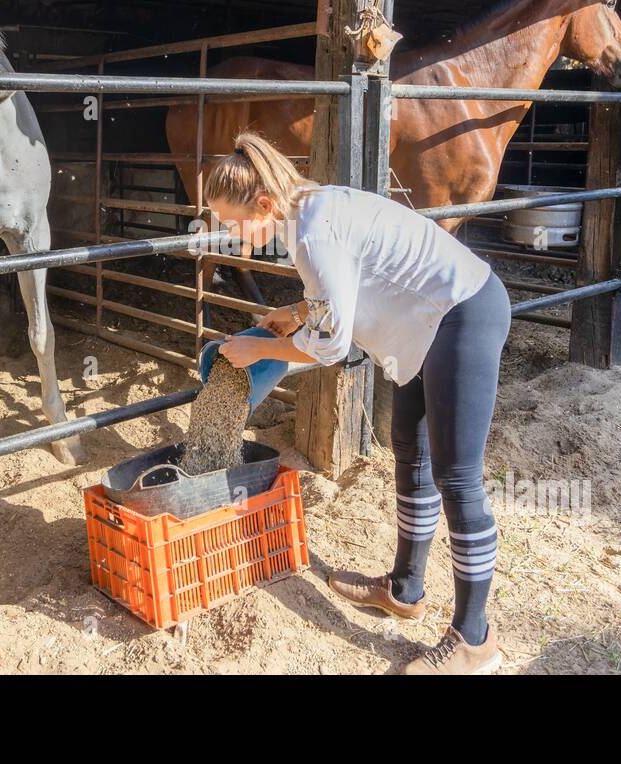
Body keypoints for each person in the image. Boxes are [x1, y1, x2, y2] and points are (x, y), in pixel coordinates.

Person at [210, 132, 511, 675]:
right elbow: (350, 283)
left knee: (458, 476)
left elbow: (332, 345)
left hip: (461, 314)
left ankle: (475, 640)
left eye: (231, 222)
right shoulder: (310, 211)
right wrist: (297, 310)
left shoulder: (311, 231)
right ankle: (405, 588)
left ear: (263, 205)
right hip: (428, 322)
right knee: (411, 452)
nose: (227, 234)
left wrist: (258, 346)